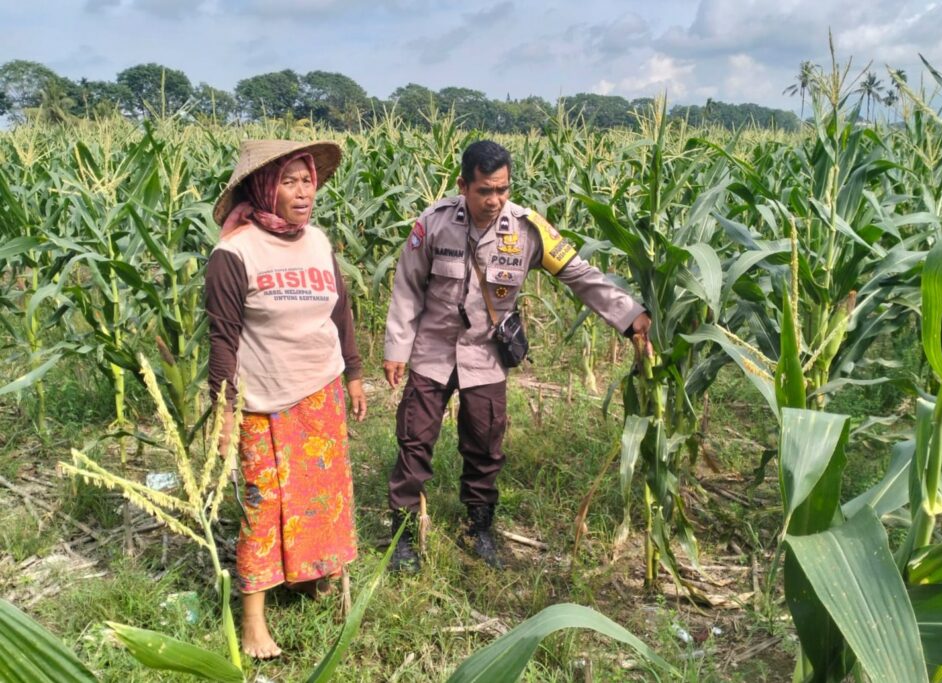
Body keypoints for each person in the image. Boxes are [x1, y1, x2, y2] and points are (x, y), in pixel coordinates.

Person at [383, 139, 651, 572]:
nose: (495, 200)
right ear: (463, 186)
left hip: (485, 355)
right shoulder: (432, 225)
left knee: (485, 445)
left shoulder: (529, 229)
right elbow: (407, 288)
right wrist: (396, 349)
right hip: (432, 351)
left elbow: (579, 275)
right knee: (415, 441)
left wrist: (630, 315)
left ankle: (479, 528)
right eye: (485, 190)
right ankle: (404, 535)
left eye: (503, 189)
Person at [205, 139, 367, 659]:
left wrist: (356, 374)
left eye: (308, 181)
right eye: (291, 182)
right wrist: (224, 411)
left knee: (322, 497)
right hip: (262, 402)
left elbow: (340, 313)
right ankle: (253, 621)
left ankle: (314, 579)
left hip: (321, 391)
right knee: (263, 506)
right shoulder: (234, 253)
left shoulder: (317, 242)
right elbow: (222, 340)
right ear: (264, 187)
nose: (304, 192)